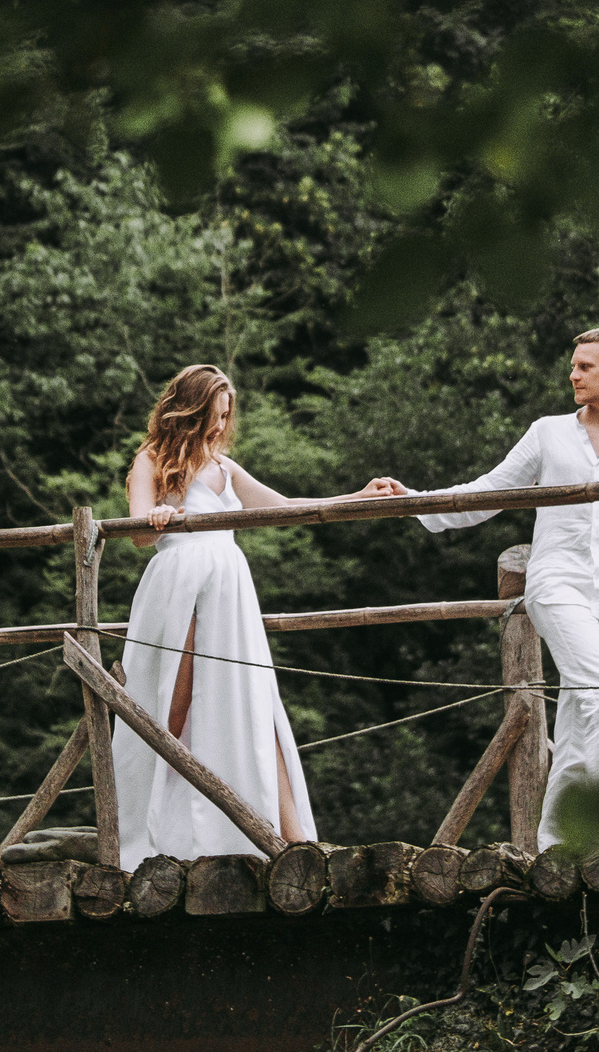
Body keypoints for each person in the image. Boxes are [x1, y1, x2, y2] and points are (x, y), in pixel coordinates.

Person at [374, 326, 599, 851]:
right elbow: (485, 493)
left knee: (576, 723)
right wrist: (415, 500)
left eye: (585, 366)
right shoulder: (547, 433)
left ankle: (550, 845)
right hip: (556, 587)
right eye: (573, 364)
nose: (573, 374)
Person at [111, 363, 406, 870]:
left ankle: (291, 840)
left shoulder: (224, 467)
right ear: (189, 410)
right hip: (178, 582)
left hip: (228, 587)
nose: (220, 427)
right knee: (171, 704)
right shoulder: (152, 460)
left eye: (225, 417)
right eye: (212, 416)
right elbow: (139, 534)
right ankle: (155, 825)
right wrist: (157, 517)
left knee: (250, 700)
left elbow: (287, 506)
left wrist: (355, 498)